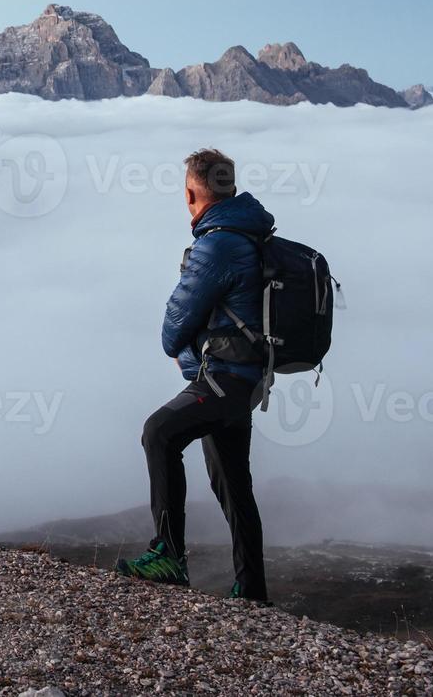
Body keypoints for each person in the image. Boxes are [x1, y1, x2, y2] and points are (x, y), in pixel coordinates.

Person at [114, 149, 271, 603]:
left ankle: (167, 554)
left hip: (221, 379)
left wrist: (183, 349)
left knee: (158, 433)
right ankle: (252, 589)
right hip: (243, 382)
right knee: (233, 485)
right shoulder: (249, 233)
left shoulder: (217, 243)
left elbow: (172, 329)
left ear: (190, 193)